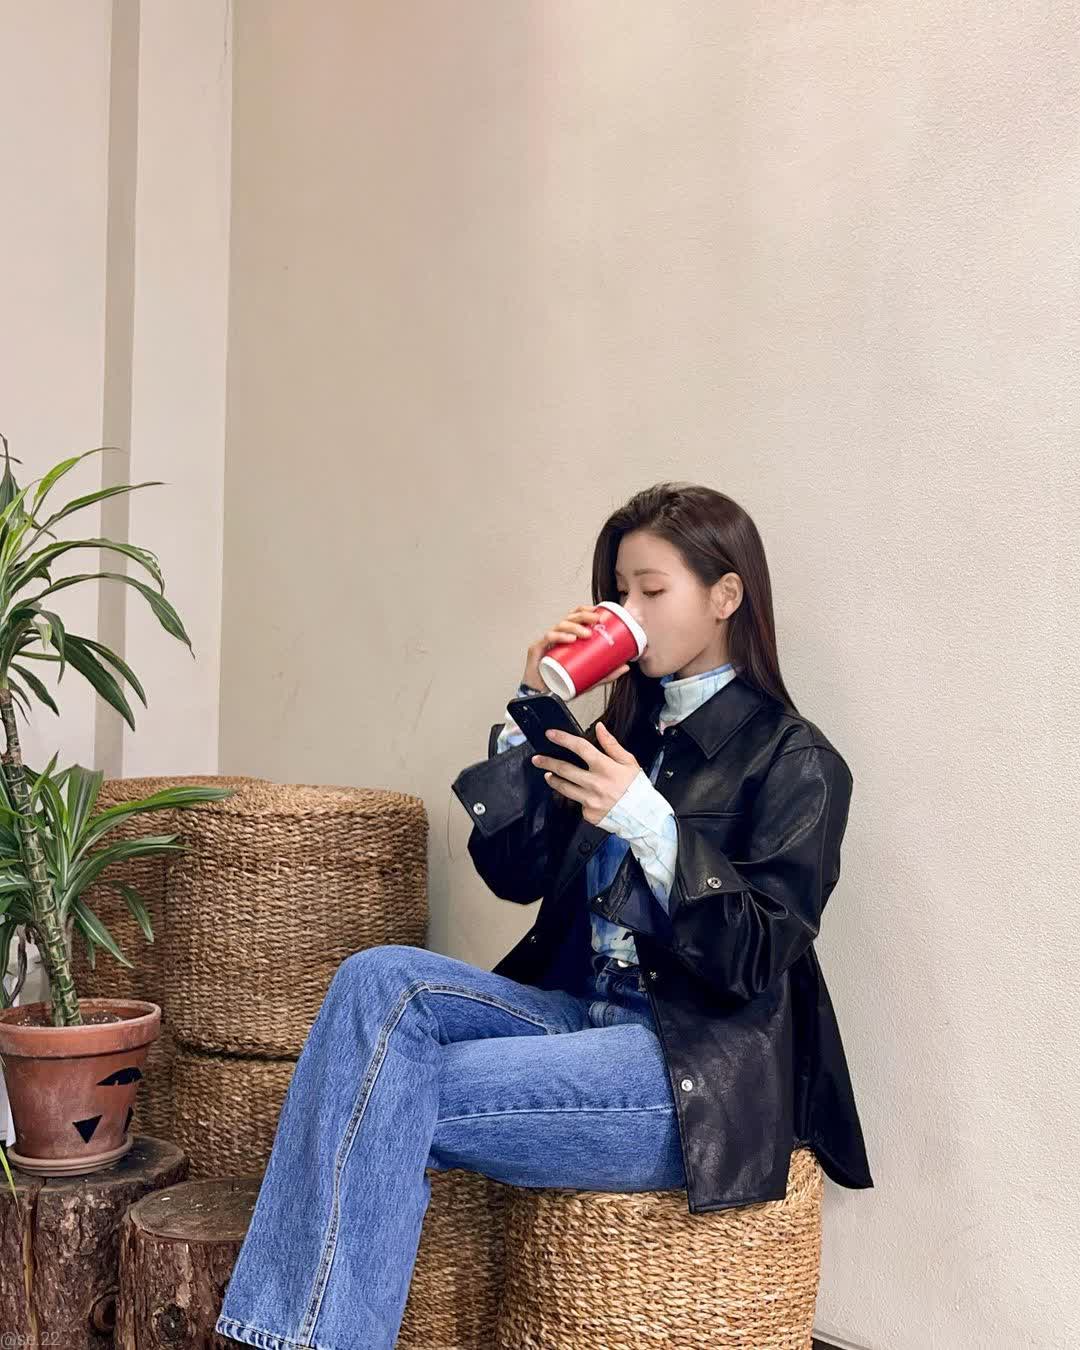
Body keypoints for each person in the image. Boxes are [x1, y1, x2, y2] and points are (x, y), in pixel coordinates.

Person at [215, 480, 873, 1350]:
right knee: (379, 977)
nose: (629, 610)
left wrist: (651, 825)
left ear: (725, 596)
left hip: (691, 1069)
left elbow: (756, 954)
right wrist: (527, 710)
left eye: (651, 590)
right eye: (619, 591)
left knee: (383, 1089)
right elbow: (514, 873)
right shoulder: (626, 737)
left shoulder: (797, 760)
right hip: (579, 1017)